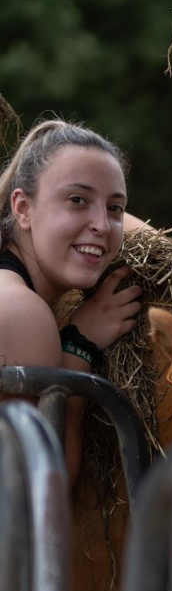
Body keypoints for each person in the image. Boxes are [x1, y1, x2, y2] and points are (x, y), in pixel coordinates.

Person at [0, 118, 146, 483]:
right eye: (77, 200)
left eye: (114, 208)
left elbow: (139, 234)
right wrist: (79, 347)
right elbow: (41, 490)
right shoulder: (21, 312)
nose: (101, 223)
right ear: (22, 208)